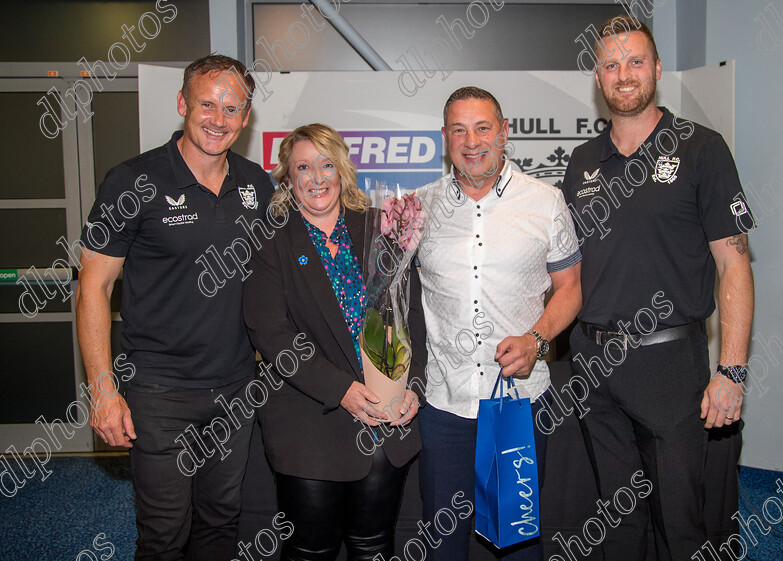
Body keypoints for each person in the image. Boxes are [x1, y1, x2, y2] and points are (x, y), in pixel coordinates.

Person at [560, 16, 755, 561]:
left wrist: (732, 370)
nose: (624, 75)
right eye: (611, 65)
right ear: (599, 77)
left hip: (670, 368)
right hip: (594, 369)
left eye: (635, 62)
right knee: (617, 530)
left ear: (658, 70)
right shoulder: (580, 163)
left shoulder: (702, 149)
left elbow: (734, 265)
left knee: (681, 527)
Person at [75, 55, 274, 560]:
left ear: (246, 118)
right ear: (183, 104)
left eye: (232, 108)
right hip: (158, 393)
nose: (218, 118)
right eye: (207, 104)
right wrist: (102, 390)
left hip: (235, 389)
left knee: (220, 526)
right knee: (164, 534)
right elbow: (92, 288)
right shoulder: (131, 180)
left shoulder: (258, 185)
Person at [242, 123, 427, 561]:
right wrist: (340, 390)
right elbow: (271, 333)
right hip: (308, 425)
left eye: (327, 164)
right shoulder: (271, 240)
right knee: (311, 549)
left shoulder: (381, 228)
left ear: (342, 170)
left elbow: (411, 316)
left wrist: (411, 385)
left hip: (385, 420)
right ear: (288, 178)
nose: (317, 177)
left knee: (373, 546)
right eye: (303, 167)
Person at [415, 87, 583, 560]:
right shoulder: (419, 207)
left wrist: (537, 338)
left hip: (518, 404)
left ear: (505, 132)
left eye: (483, 127)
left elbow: (570, 289)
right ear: (444, 137)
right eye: (459, 130)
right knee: (443, 543)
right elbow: (388, 296)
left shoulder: (546, 202)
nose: (472, 141)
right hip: (444, 404)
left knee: (515, 543)